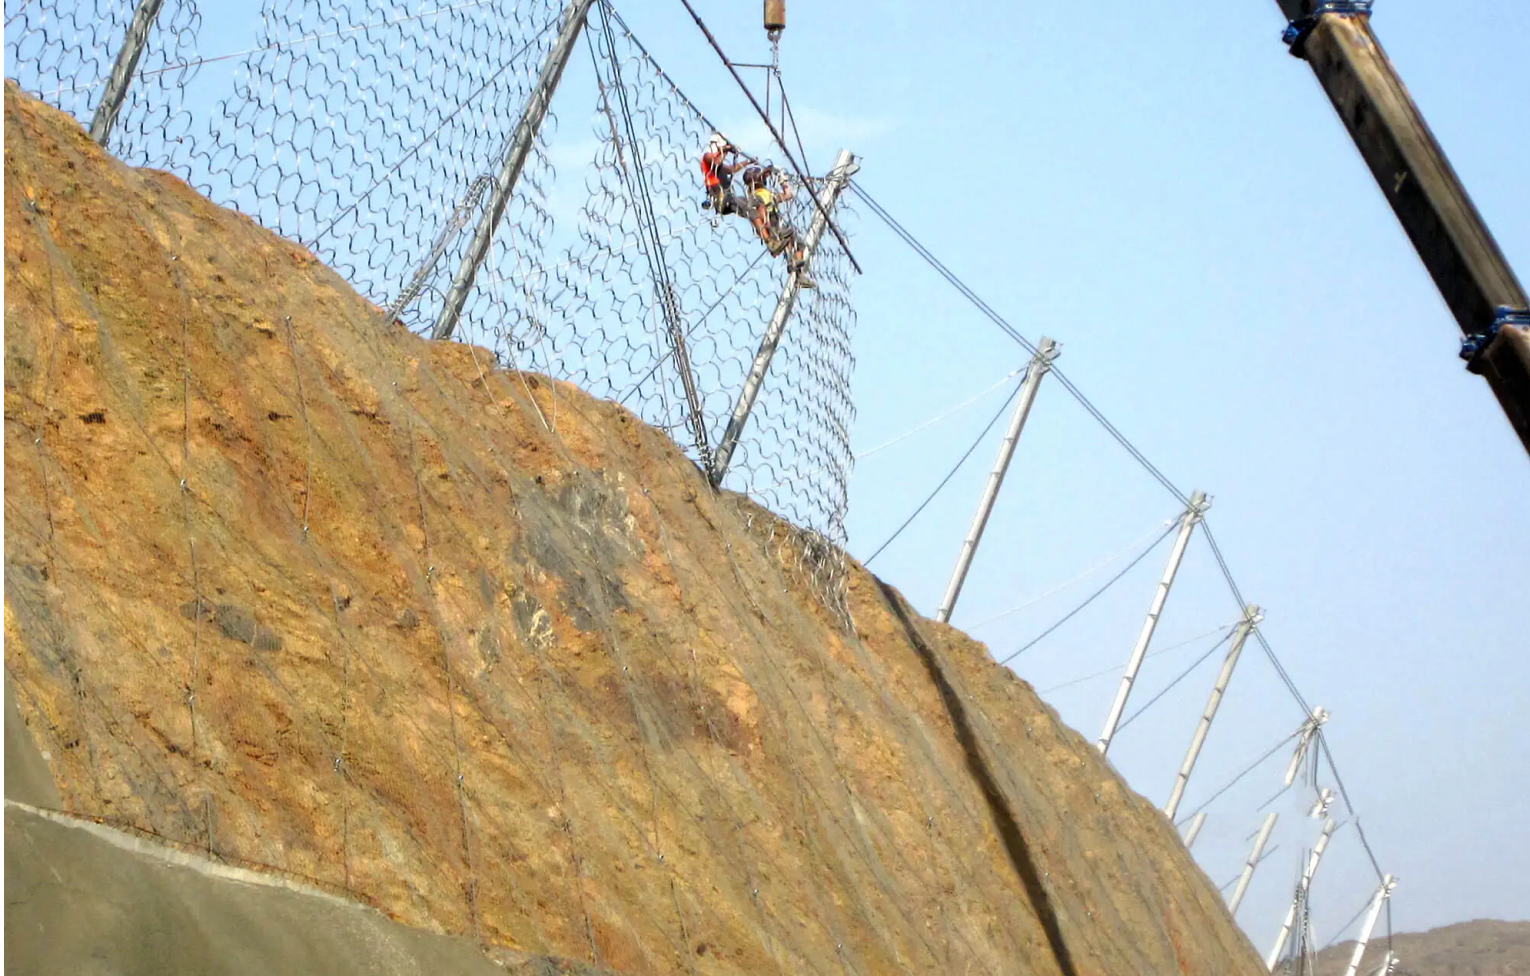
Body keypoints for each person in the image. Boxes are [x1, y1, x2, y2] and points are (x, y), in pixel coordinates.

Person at [742, 163, 815, 288]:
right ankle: (790, 260)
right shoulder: (755, 195)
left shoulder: (767, 194)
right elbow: (760, 208)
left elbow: (788, 195)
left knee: (798, 243)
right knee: (789, 234)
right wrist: (767, 226)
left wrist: (783, 181)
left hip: (777, 225)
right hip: (770, 227)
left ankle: (798, 273)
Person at [699, 132, 749, 218]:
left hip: (728, 197)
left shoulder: (718, 160)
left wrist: (748, 161)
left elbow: (731, 169)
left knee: (751, 205)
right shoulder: (707, 157)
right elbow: (716, 163)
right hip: (719, 196)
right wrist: (726, 149)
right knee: (746, 208)